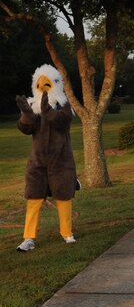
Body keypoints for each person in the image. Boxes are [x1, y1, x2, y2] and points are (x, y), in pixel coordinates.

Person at [16, 64, 78, 252]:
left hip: (62, 162)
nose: (44, 88)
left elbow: (62, 121)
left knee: (63, 197)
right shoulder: (33, 107)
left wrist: (49, 111)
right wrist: (27, 114)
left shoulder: (64, 104)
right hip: (38, 163)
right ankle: (28, 238)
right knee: (33, 199)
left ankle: (67, 233)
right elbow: (26, 129)